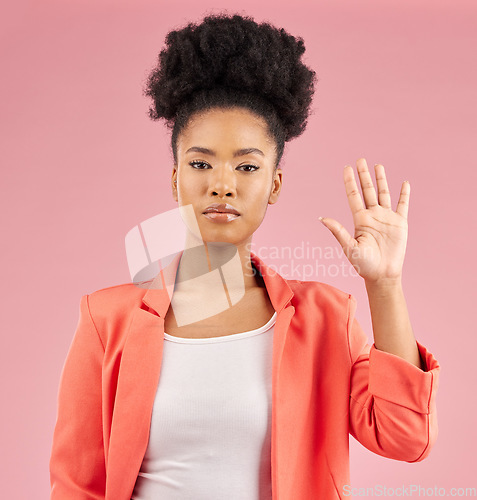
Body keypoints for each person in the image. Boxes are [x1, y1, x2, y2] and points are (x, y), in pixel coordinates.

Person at [49, 12, 441, 500]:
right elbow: (76, 486)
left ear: (274, 184)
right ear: (175, 178)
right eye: (200, 163)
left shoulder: (325, 320)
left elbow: (406, 438)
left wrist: (384, 285)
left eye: (247, 166)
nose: (222, 183)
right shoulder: (105, 320)